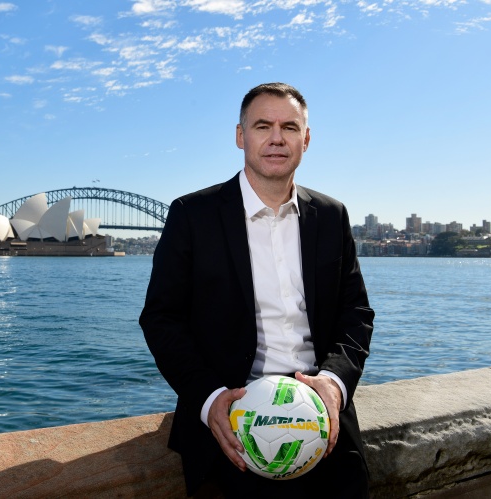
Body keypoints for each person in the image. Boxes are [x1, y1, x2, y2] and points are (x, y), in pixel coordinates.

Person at [139, 82, 374, 498]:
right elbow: (161, 318)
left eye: (289, 127)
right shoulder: (192, 215)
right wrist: (209, 398)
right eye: (263, 126)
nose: (276, 138)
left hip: (323, 424)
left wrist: (334, 383)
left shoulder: (331, 215)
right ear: (240, 135)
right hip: (230, 428)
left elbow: (355, 313)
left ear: (306, 139)